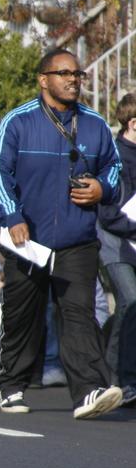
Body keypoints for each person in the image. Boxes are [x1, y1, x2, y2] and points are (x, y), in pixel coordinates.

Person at [0, 48, 123, 418]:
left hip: (78, 240)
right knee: (22, 317)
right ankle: (11, 383)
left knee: (79, 313)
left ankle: (88, 392)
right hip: (26, 240)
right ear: (43, 79)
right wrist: (12, 215)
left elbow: (115, 167)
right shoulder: (19, 121)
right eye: (64, 73)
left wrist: (101, 188)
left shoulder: (94, 124)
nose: (73, 80)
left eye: (77, 74)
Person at [97, 92, 136, 407]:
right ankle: (119, 378)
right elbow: (108, 214)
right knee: (131, 301)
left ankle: (110, 361)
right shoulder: (115, 157)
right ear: (133, 124)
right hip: (115, 240)